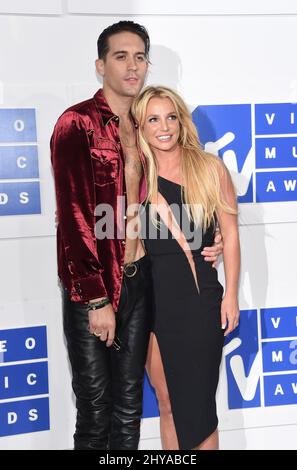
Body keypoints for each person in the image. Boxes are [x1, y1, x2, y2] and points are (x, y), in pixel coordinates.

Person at [51, 21, 222, 450]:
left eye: (140, 57)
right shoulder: (77, 124)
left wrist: (208, 239)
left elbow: (172, 200)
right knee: (95, 409)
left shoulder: (148, 127)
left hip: (141, 283)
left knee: (128, 409)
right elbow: (74, 218)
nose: (132, 66)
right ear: (100, 65)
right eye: (120, 56)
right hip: (95, 289)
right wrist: (96, 299)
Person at [132, 86, 240, 450]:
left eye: (171, 117)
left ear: (181, 120)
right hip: (149, 302)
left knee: (197, 408)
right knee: (166, 403)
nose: (164, 127)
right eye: (153, 119)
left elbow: (231, 235)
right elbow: (109, 229)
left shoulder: (210, 168)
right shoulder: (134, 177)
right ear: (140, 127)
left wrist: (232, 297)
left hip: (198, 299)